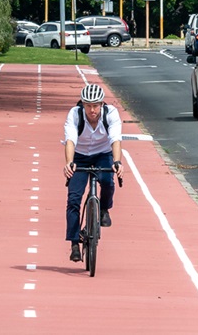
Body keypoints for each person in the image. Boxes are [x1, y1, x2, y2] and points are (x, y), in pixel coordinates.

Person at [63, 83, 123, 262]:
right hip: (80, 156)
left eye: (96, 105)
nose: (92, 110)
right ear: (82, 104)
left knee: (107, 180)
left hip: (102, 154)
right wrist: (69, 163)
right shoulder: (74, 114)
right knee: (74, 199)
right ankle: (74, 243)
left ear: (102, 104)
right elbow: (70, 139)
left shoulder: (111, 114)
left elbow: (115, 138)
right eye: (88, 105)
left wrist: (118, 162)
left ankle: (104, 209)